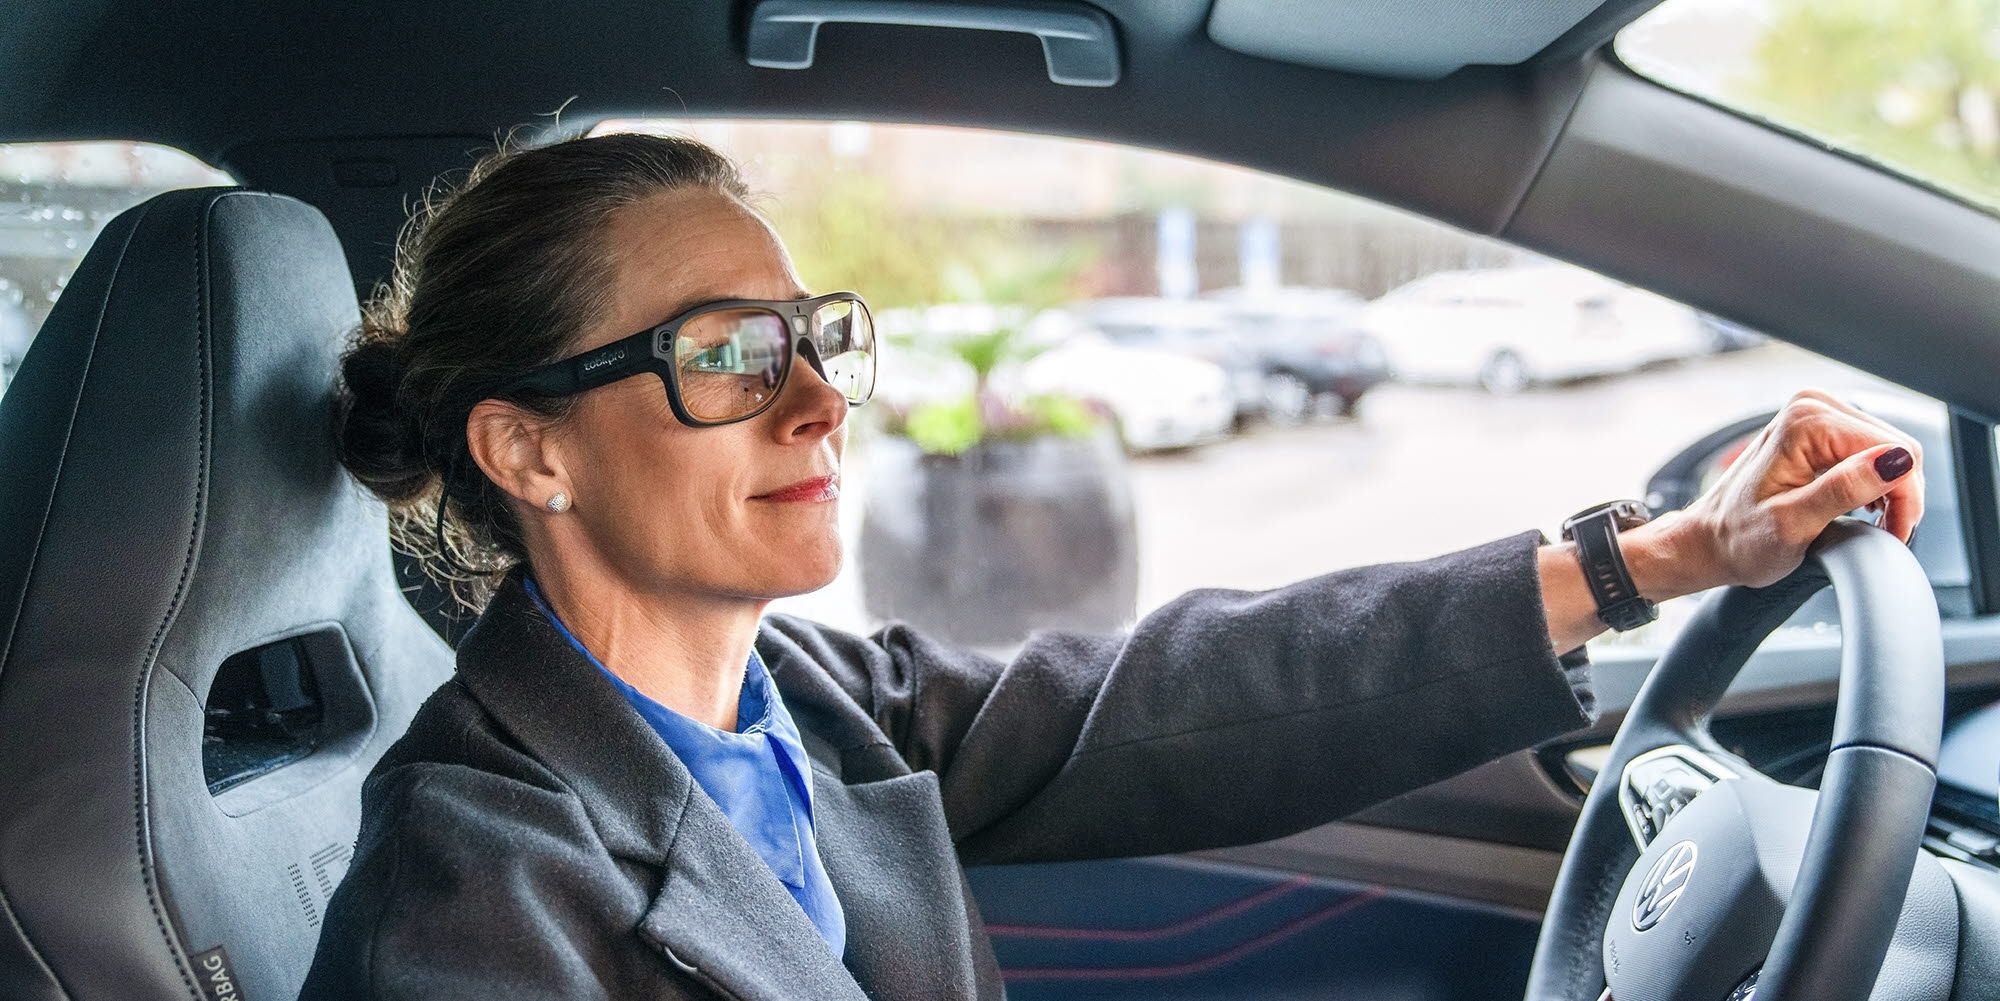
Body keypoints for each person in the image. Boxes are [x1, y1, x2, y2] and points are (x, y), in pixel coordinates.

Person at [297, 131, 1925, 1001]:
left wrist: (1677, 552)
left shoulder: (801, 700)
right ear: (531, 450)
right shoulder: (470, 903)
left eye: (817, 339)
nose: (814, 402)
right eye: (725, 354)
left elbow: (1198, 689)